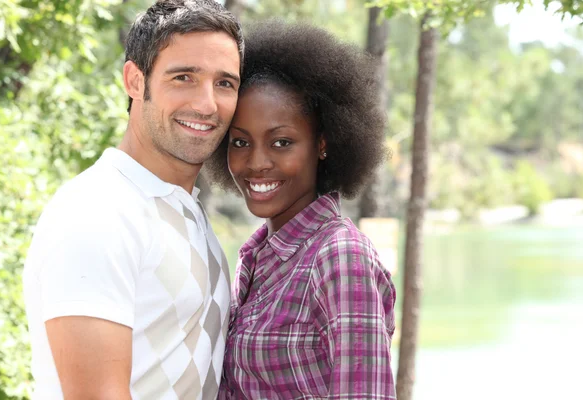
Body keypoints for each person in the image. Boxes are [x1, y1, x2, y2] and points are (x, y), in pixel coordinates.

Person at [22, 1, 243, 399]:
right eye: (184, 77)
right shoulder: (98, 210)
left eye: (224, 83)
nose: (207, 104)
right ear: (135, 81)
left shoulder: (183, 210)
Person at [205, 20, 397, 400]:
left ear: (323, 144)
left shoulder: (341, 258)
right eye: (240, 142)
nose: (256, 162)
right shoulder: (255, 258)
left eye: (281, 142)